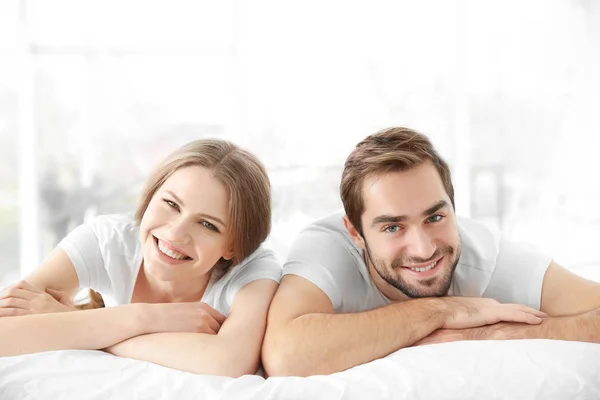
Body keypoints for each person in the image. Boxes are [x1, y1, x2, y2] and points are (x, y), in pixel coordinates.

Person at [262, 127, 600, 377]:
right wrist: (440, 311)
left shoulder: (489, 258)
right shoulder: (326, 248)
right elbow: (284, 356)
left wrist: (490, 334)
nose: (424, 249)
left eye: (435, 217)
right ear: (356, 233)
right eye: (393, 227)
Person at [0, 139, 281, 378]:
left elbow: (227, 362)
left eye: (208, 225)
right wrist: (147, 317)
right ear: (150, 197)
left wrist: (77, 325)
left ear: (232, 247)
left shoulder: (253, 270)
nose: (176, 233)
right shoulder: (107, 240)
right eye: (171, 204)